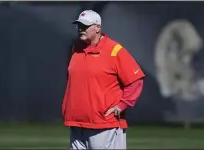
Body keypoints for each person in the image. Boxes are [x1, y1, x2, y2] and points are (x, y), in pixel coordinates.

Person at [62, 10, 145, 149]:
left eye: (85, 26)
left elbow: (136, 80)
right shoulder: (75, 49)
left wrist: (122, 105)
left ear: (97, 27)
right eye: (79, 25)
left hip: (104, 125)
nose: (81, 29)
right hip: (76, 122)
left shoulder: (114, 50)